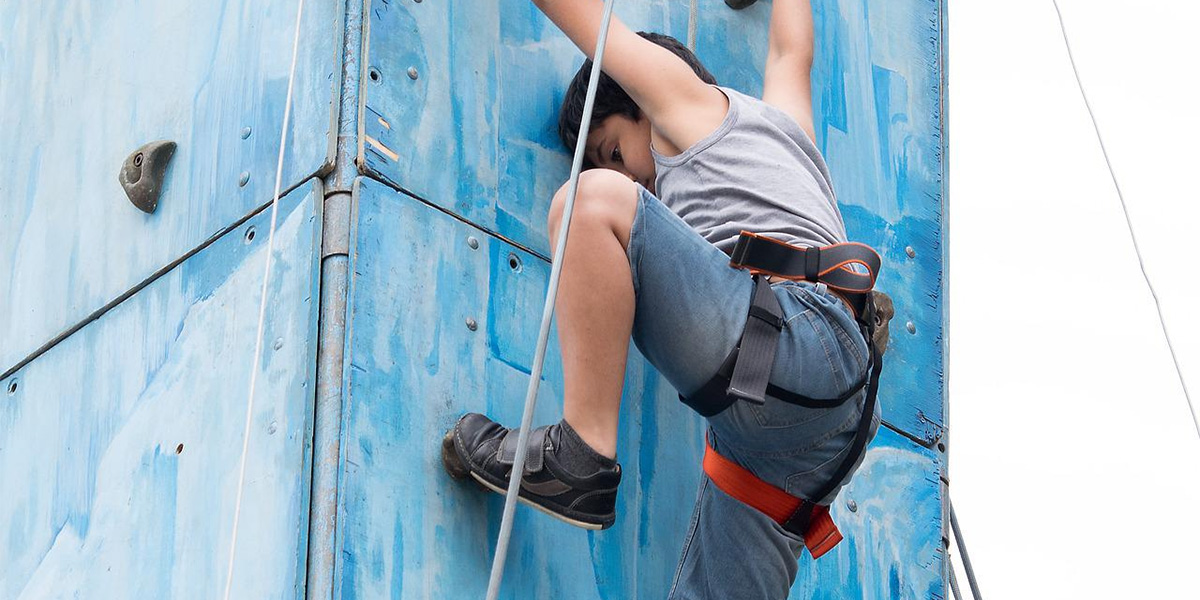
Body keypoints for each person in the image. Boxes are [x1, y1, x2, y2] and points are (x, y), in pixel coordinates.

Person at [443, 0, 881, 597]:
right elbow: (790, 53)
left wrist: (611, 176)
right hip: (811, 434)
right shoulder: (786, 131)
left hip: (793, 345)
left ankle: (582, 452)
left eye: (617, 152)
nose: (633, 182)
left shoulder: (686, 105)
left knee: (587, 203)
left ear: (644, 100)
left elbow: (598, 29)